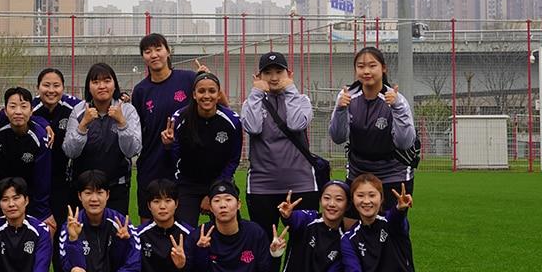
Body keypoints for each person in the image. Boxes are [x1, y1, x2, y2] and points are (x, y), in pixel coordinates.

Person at [325, 174, 443, 272]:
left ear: (381, 199)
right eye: (360, 196)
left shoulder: (391, 223)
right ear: (353, 200)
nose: (366, 201)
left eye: (372, 195)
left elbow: (397, 219)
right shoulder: (349, 238)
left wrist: (400, 210)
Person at [241, 52, 320, 233]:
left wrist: (291, 91)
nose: (274, 78)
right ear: (258, 77)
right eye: (267, 73)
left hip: (302, 183)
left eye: (279, 72)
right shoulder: (251, 102)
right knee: (265, 245)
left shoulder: (302, 100)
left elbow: (296, 124)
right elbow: (253, 128)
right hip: (261, 186)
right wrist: (256, 93)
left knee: (305, 242)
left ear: (289, 75)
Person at [58, 169, 142, 272]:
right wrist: (74, 240)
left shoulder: (121, 224)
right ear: (80, 196)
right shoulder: (70, 226)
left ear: (108, 195)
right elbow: (67, 268)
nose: (94, 199)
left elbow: (134, 266)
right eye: (88, 193)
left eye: (99, 192)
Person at [329, 46, 419, 192]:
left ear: (383, 68)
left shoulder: (396, 100)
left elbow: (405, 143)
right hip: (358, 172)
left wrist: (397, 107)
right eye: (361, 66)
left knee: (393, 215)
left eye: (372, 66)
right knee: (353, 216)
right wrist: (340, 109)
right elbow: (338, 138)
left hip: (393, 173)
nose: (366, 71)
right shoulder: (346, 97)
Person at [131, 34, 198, 223]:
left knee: (183, 224)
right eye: (147, 51)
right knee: (148, 223)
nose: (154, 55)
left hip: (184, 165)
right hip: (151, 163)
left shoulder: (188, 79)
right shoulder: (141, 90)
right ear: (143, 57)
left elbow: (217, 103)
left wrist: (207, 78)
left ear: (168, 51)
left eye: (158, 49)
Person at [62, 63, 141, 216]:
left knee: (116, 234)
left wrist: (122, 123)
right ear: (89, 87)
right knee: (80, 234)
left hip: (116, 187)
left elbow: (132, 151)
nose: (102, 86)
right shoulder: (79, 110)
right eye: (96, 82)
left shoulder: (127, 110)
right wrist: (83, 125)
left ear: (114, 84)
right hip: (84, 188)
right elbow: (70, 151)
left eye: (107, 81)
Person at [133, 178, 206, 272]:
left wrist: (183, 265)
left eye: (168, 200)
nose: (162, 206)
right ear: (149, 206)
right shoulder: (139, 234)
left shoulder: (190, 234)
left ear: (177, 204)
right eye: (156, 201)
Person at [171, 72, 242, 226]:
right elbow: (174, 155)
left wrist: (214, 192)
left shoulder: (233, 121)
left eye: (212, 91)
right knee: (184, 233)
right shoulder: (179, 118)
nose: (206, 95)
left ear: (218, 95)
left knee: (230, 231)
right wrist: (167, 145)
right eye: (201, 91)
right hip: (187, 185)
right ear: (194, 95)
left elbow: (234, 159)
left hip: (220, 183)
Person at [0, 87, 53, 228]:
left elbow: (42, 180)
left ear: (31, 110)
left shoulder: (41, 138)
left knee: (49, 227)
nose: (18, 111)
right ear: (5, 110)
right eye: (13, 106)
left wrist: (43, 212)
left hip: (27, 194)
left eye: (24, 106)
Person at [33, 67, 80, 272]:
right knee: (37, 235)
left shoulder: (73, 108)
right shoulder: (29, 108)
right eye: (46, 85)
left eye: (56, 85)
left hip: (64, 183)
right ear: (37, 88)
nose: (51, 90)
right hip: (35, 184)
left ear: (63, 88)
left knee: (63, 231)